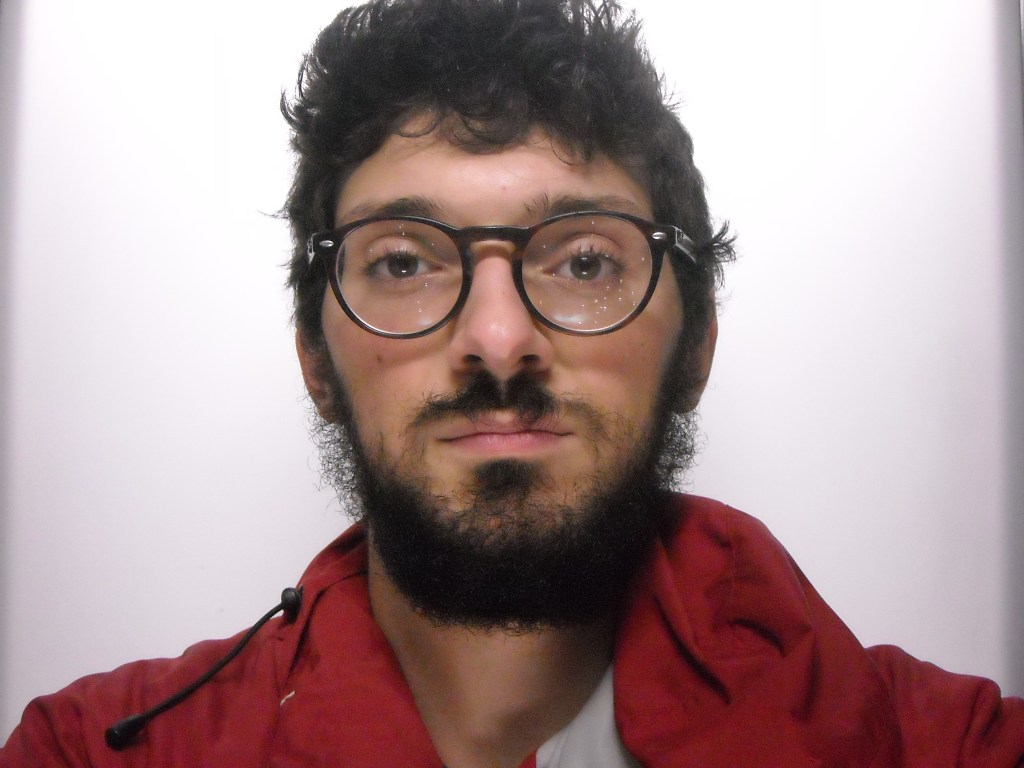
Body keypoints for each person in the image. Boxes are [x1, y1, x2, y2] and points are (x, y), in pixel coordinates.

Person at [2, 0, 1022, 765]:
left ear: (696, 348)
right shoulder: (94, 753)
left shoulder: (952, 748)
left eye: (585, 261)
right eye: (404, 261)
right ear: (315, 359)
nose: (497, 340)